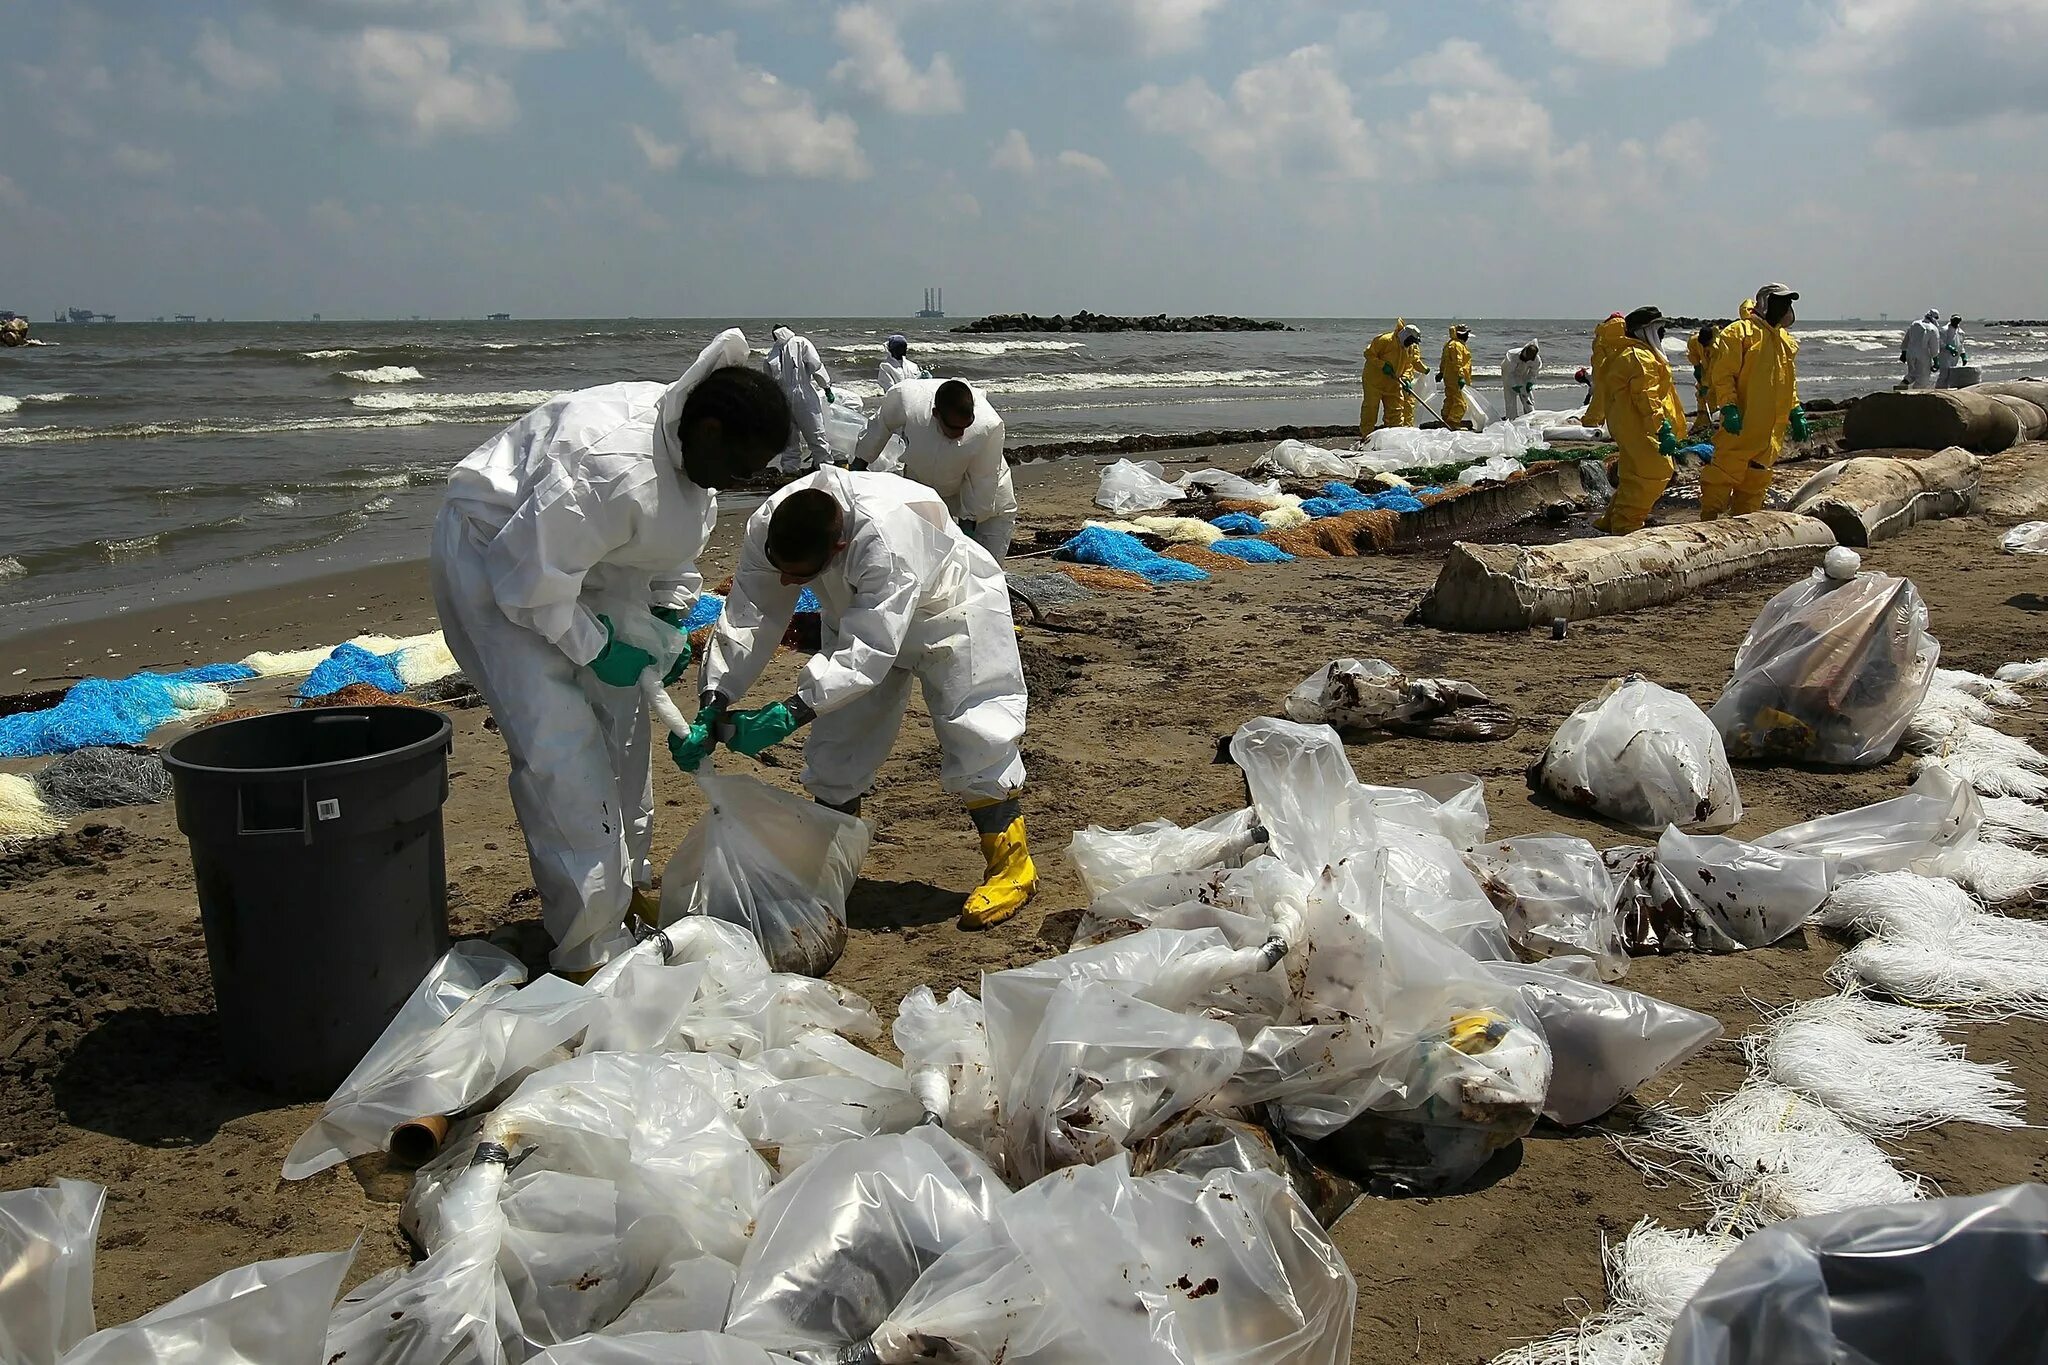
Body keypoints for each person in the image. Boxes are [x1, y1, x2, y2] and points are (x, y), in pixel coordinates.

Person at [430, 329, 789, 974]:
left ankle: (631, 891)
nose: (738, 486)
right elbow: (531, 585)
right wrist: (596, 650)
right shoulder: (608, 464)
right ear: (706, 430)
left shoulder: (693, 468)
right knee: (562, 754)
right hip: (498, 558)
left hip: (584, 565)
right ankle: (588, 947)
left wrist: (667, 628)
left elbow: (672, 563)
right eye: (738, 469)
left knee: (624, 740)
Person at [678, 466, 1035, 929]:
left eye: (799, 575)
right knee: (838, 748)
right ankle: (831, 868)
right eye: (781, 569)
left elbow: (870, 651)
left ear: (839, 547)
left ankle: (1013, 866)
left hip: (949, 610)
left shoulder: (885, 539)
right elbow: (752, 612)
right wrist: (715, 697)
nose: (788, 584)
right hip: (855, 614)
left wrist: (790, 712)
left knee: (974, 730)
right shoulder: (773, 521)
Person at [851, 376, 1017, 560]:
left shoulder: (988, 426)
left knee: (984, 564)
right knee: (922, 557)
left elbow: (982, 482)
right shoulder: (908, 399)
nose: (961, 434)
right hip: (927, 489)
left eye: (966, 426)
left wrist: (967, 537)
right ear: (936, 414)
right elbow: (878, 428)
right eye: (954, 428)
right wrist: (856, 470)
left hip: (990, 502)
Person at [1702, 283, 1804, 521]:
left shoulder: (1784, 340)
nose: (1786, 308)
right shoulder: (1739, 333)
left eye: (1788, 303)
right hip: (1743, 421)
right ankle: (1709, 519)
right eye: (1782, 302)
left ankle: (1744, 522)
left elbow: (1788, 381)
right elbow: (1723, 374)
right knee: (1724, 471)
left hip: (1770, 431)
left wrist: (1795, 409)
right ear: (1765, 303)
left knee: (1757, 476)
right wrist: (1728, 406)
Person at [1595, 306, 1689, 535]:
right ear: (1646, 331)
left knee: (1632, 475)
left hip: (1632, 426)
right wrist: (1662, 428)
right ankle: (1626, 527)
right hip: (1640, 427)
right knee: (1653, 473)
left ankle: (1611, 521)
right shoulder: (1640, 357)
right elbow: (1647, 398)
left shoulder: (1631, 353)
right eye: (1659, 329)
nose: (1663, 333)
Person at [766, 324, 835, 472]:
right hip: (802, 395)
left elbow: (768, 381)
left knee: (791, 439)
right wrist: (826, 386)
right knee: (814, 433)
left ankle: (791, 470)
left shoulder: (773, 352)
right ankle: (824, 466)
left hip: (784, 397)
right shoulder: (801, 342)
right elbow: (815, 365)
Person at [1360, 321, 1424, 435]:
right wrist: (1382, 365)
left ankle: (1393, 436)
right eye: (1411, 340)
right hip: (1374, 381)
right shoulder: (1385, 340)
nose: (1411, 343)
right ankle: (1366, 435)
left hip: (1393, 382)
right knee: (1370, 409)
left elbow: (1409, 365)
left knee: (1396, 410)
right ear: (1405, 335)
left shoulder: (1409, 348)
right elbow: (1369, 354)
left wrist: (1406, 378)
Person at [1582, 312, 1626, 427]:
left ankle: (1591, 421)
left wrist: (1599, 371)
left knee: (1600, 399)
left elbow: (1598, 357)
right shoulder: (1624, 329)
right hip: (1619, 370)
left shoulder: (1602, 334)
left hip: (1603, 370)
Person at [1685, 323, 1722, 434]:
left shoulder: (1718, 347)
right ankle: (1702, 421)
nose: (1705, 347)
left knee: (1712, 395)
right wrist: (1697, 368)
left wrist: (1706, 385)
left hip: (1718, 372)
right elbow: (1693, 355)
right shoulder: (1694, 341)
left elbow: (1713, 371)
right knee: (1701, 395)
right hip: (1705, 368)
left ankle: (1714, 422)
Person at [1438, 325, 1475, 429]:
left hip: (1450, 377)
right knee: (1461, 402)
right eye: (1466, 334)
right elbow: (1457, 363)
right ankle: (1453, 423)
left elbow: (1444, 361)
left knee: (1450, 399)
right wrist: (1461, 377)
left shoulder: (1449, 344)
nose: (1467, 336)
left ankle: (1446, 420)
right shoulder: (1457, 346)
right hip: (1456, 379)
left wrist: (1441, 373)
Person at [1900, 310, 1941, 389]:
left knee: (1912, 374)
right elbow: (1934, 347)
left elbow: (1906, 338)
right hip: (1923, 356)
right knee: (1923, 378)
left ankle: (1900, 388)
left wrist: (1904, 352)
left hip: (1910, 354)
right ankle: (1916, 396)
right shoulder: (1933, 329)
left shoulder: (1914, 324)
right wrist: (1936, 362)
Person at [1501, 341, 1540, 420]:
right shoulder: (1512, 355)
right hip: (1509, 376)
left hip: (1524, 376)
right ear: (1524, 351)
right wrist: (1514, 386)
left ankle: (1530, 418)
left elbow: (1534, 372)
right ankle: (1511, 419)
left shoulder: (1536, 359)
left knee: (1528, 399)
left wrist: (1530, 383)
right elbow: (1508, 374)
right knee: (1510, 400)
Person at [1937, 314, 1969, 388]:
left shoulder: (1961, 332)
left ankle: (1946, 390)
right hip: (1945, 355)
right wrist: (1948, 347)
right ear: (1951, 320)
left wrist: (1963, 355)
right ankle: (1939, 390)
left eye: (1957, 320)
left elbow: (1961, 345)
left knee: (1951, 375)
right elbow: (1939, 341)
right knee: (1944, 374)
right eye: (1954, 320)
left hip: (1955, 357)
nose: (1956, 321)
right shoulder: (1944, 330)